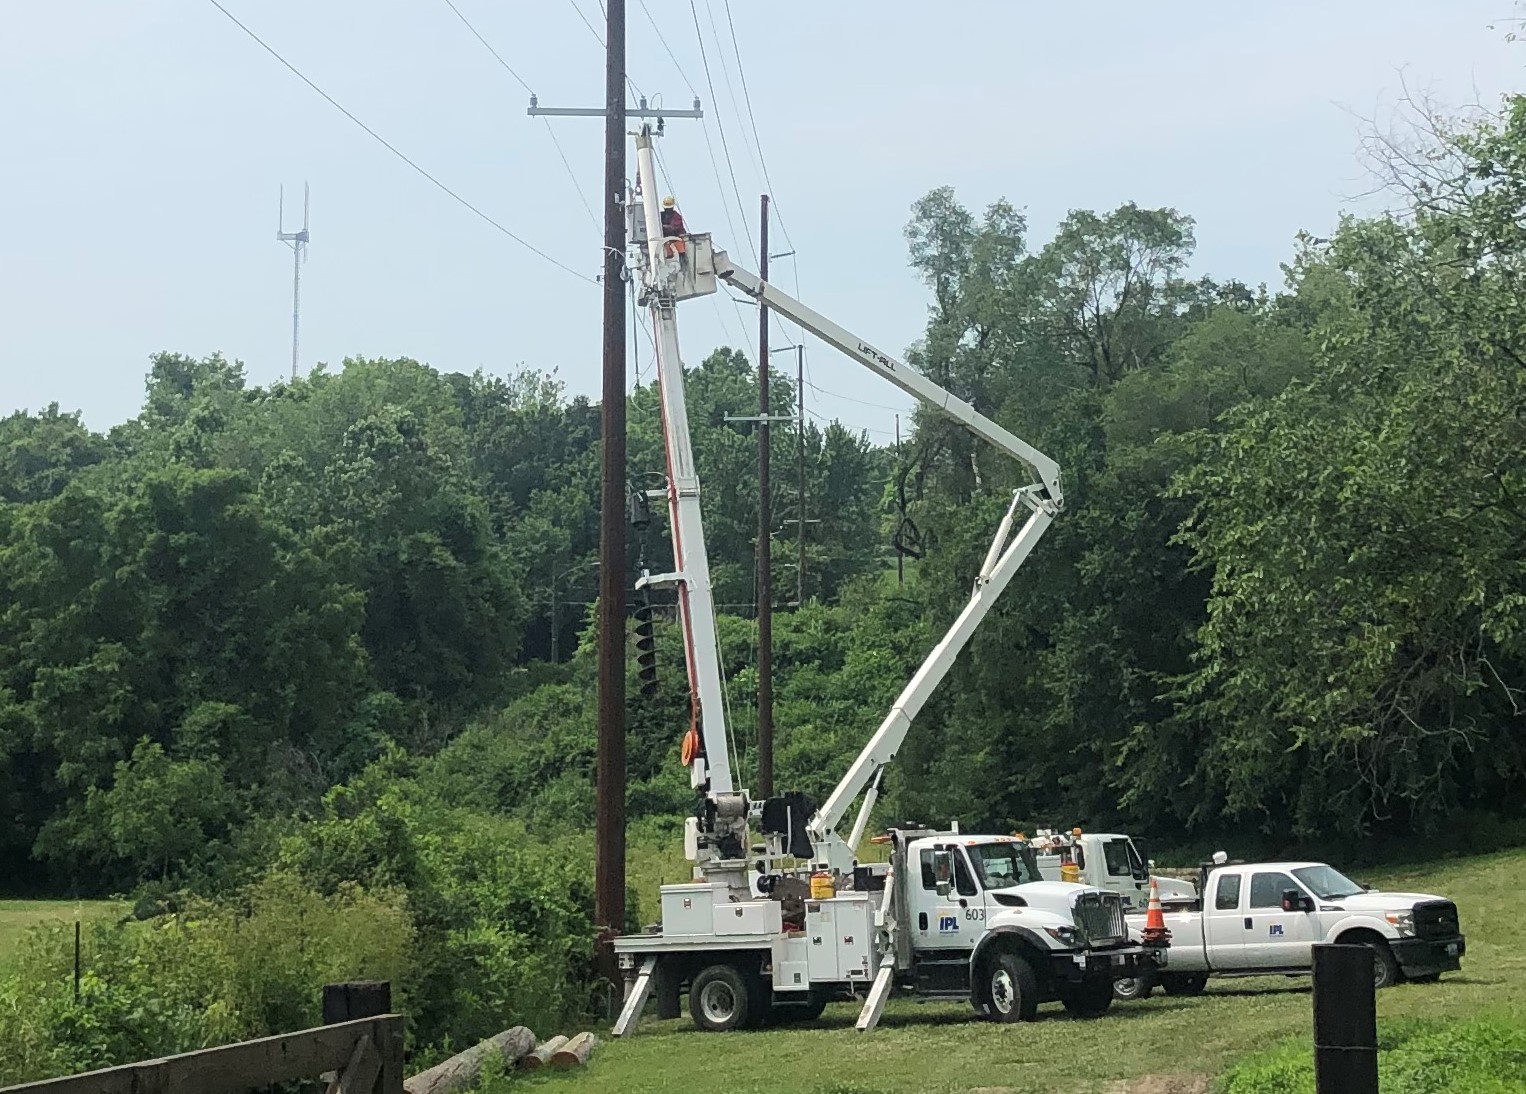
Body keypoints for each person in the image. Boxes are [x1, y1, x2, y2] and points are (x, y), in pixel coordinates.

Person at [659, 195, 687, 269]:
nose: (668, 210)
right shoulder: (661, 216)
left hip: (676, 239)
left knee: (680, 251)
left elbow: (674, 228)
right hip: (665, 241)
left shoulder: (676, 216)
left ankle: (683, 265)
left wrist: (662, 226)